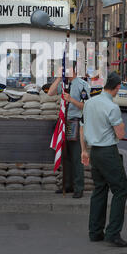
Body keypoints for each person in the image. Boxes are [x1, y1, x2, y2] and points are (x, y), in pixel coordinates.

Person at [80, 72, 127, 248]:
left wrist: (84, 151)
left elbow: (83, 128)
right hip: (108, 152)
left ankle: (95, 231)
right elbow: (120, 134)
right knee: (121, 189)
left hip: (94, 152)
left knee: (99, 189)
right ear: (116, 87)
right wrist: (121, 126)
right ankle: (113, 232)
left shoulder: (90, 103)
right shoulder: (112, 107)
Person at [47, 61, 90, 199]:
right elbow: (50, 93)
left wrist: (71, 99)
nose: (65, 72)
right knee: (65, 155)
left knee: (76, 156)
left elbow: (85, 106)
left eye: (66, 69)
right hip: (63, 122)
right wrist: (59, 78)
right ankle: (67, 185)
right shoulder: (63, 85)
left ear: (73, 69)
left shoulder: (82, 85)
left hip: (75, 122)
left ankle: (79, 187)